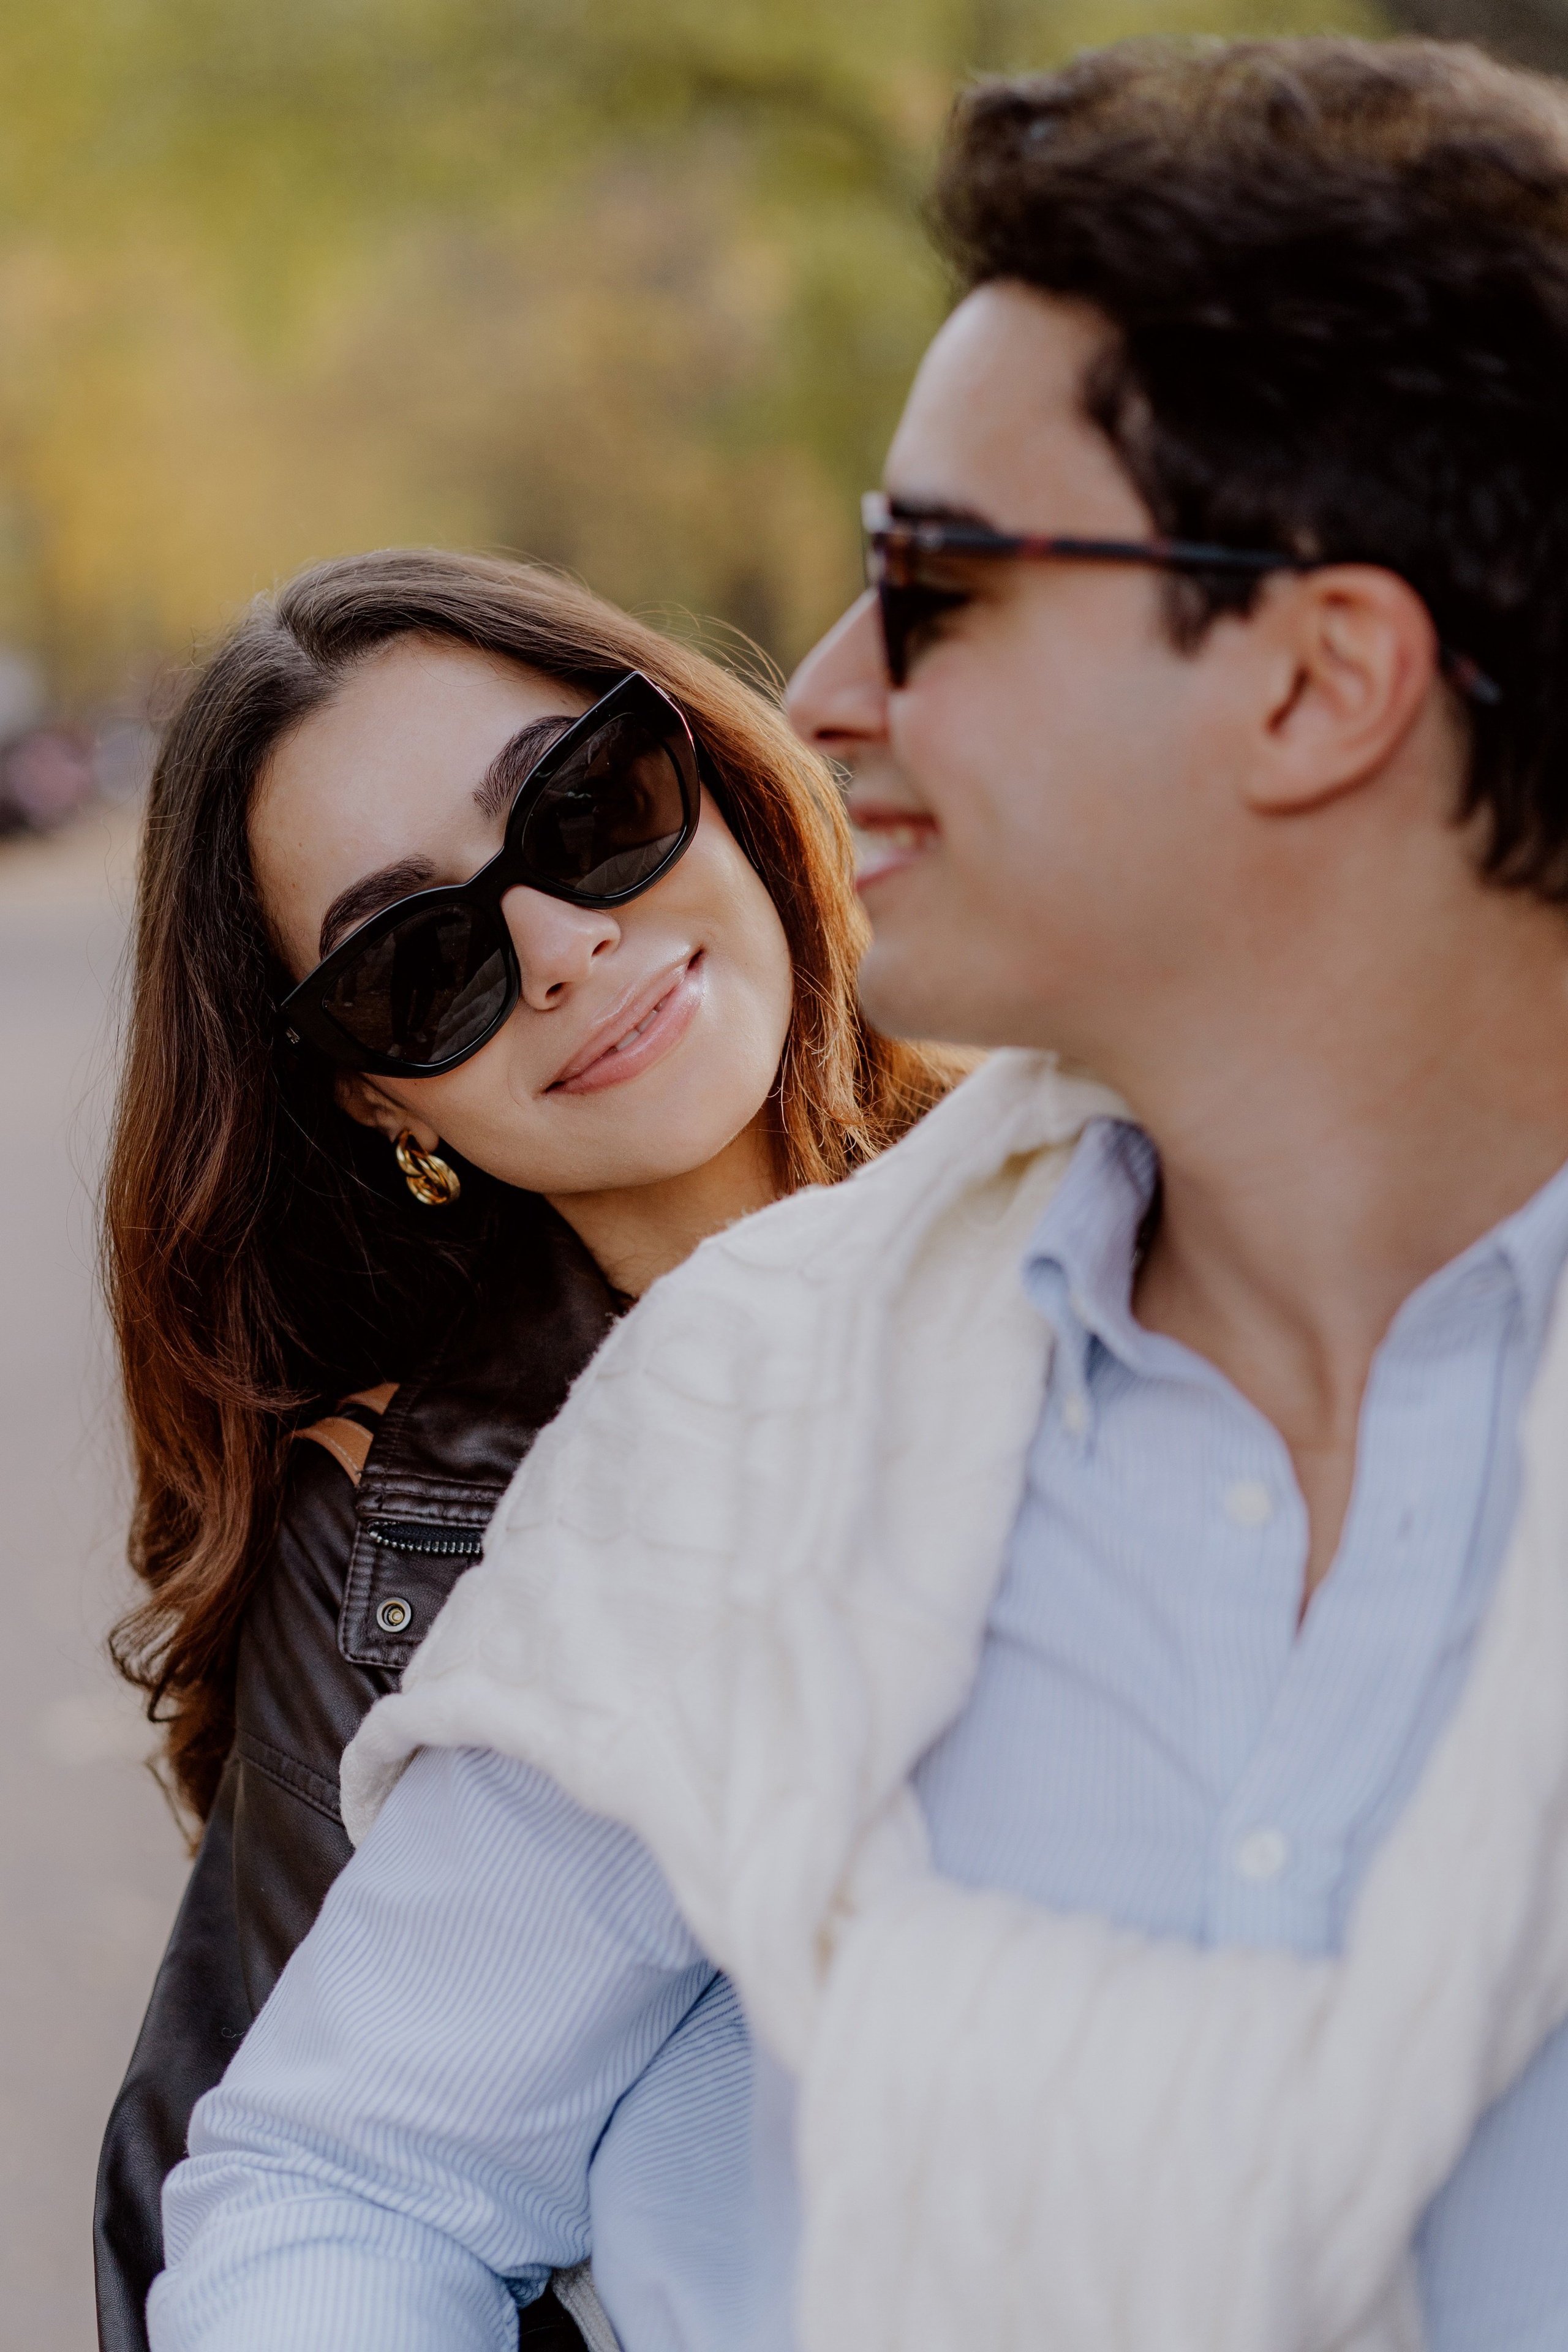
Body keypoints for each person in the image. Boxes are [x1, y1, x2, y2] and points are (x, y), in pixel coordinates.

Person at [148, 34, 1568, 2352]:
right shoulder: (712, 1420)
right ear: (377, 1100)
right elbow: (330, 2176)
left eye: (944, 586)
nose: (818, 691)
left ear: (1328, 683)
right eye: (416, 964)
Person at [91, 546, 962, 2352]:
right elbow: (263, 2217)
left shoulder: (1144, 1199)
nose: (562, 947)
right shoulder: (391, 1537)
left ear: (708, 771)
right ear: (376, 1095)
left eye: (585, 807)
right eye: (419, 964)